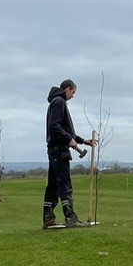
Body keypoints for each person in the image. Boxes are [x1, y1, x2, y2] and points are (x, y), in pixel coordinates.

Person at [43, 79, 94, 227]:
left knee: (52, 186)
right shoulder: (59, 102)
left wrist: (82, 140)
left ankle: (48, 218)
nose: (73, 95)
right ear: (67, 89)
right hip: (59, 151)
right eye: (73, 92)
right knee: (64, 183)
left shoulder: (56, 102)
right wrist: (69, 140)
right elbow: (55, 127)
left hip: (54, 150)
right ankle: (70, 218)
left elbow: (66, 131)